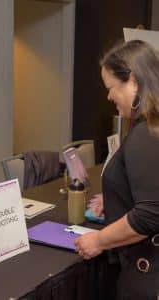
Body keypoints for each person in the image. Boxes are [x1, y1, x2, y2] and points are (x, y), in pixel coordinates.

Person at [75, 39, 159, 299]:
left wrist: (98, 241)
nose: (109, 96)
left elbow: (148, 216)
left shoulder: (146, 134)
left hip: (147, 278)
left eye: (111, 87)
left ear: (133, 81)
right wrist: (115, 198)